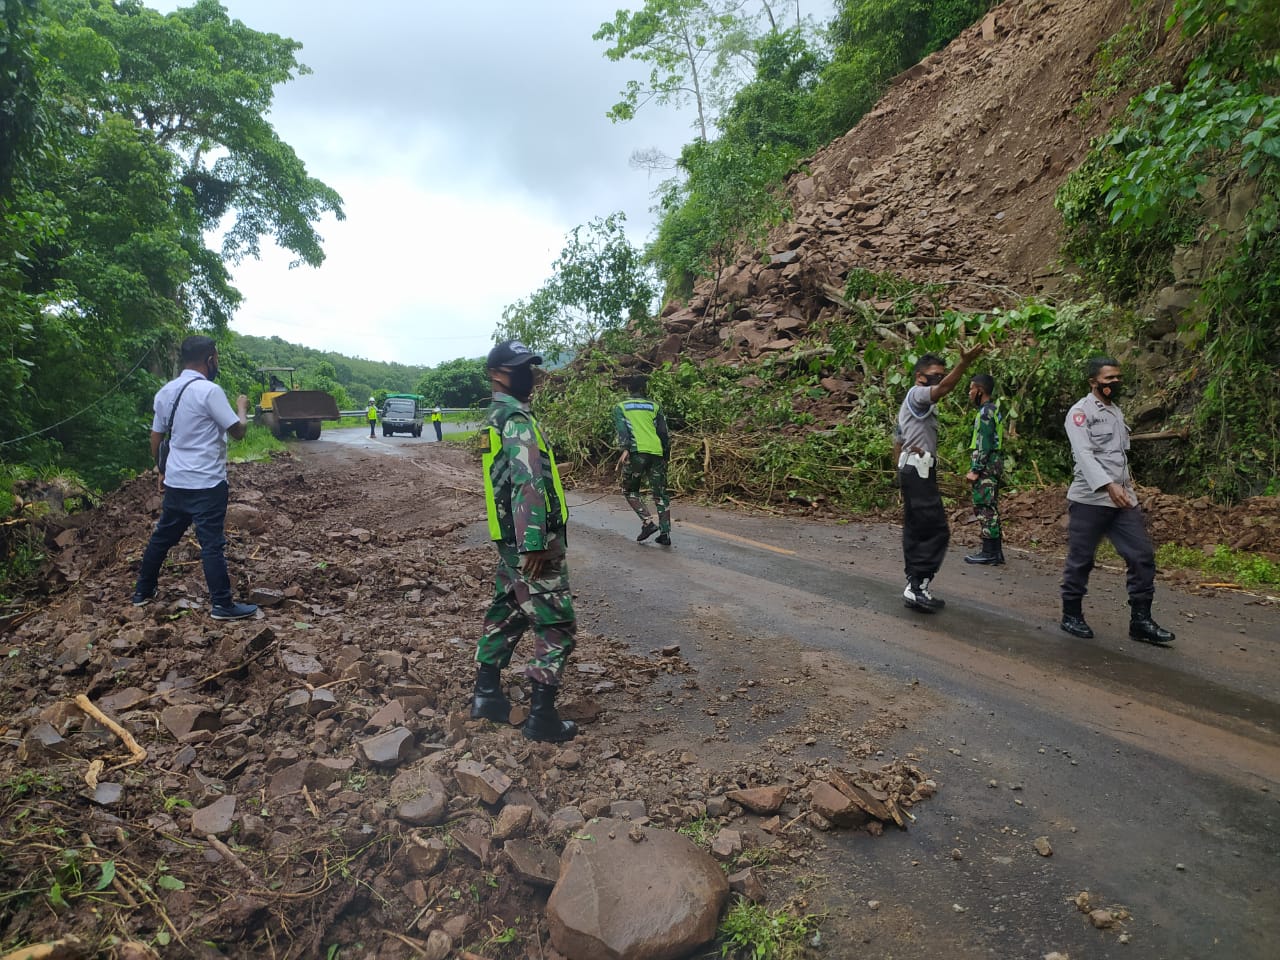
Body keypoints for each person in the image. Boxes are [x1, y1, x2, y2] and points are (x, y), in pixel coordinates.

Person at [469, 340, 577, 742]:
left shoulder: (493, 418)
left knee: (508, 610)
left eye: (531, 366)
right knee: (557, 624)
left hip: (508, 541)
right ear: (498, 374)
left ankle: (487, 695)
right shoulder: (514, 419)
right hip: (530, 542)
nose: (529, 374)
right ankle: (542, 718)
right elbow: (525, 482)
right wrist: (534, 541)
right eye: (520, 368)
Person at [131, 335, 259, 621]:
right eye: (217, 357)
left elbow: (157, 435)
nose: (217, 362)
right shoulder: (209, 392)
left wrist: (161, 470)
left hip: (176, 480)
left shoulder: (166, 391)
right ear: (209, 359)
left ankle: (142, 591)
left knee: (162, 537)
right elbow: (237, 432)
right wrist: (241, 407)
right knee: (212, 544)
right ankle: (222, 605)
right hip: (207, 484)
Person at [1060, 358, 1175, 646]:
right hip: (1090, 498)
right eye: (1109, 378)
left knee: (1141, 556)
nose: (1115, 383)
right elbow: (1084, 454)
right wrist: (1108, 485)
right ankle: (1071, 614)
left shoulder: (1115, 412)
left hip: (1123, 499)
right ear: (1093, 382)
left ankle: (1141, 621)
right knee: (1081, 560)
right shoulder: (1080, 412)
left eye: (1118, 378)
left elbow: (1119, 457)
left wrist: (1122, 486)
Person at [896, 342, 984, 612]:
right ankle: (917, 586)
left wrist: (899, 473)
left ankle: (915, 583)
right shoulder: (917, 394)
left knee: (916, 528)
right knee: (936, 530)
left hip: (914, 469)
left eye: (942, 373)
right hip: (918, 471)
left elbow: (897, 440)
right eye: (935, 374)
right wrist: (965, 363)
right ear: (920, 376)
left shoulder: (916, 404)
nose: (940, 377)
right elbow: (943, 389)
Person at [613, 374, 672, 545]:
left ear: (628, 389)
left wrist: (625, 449)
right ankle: (665, 533)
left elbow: (623, 431)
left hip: (636, 452)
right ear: (644, 389)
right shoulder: (654, 406)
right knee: (660, 493)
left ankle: (647, 522)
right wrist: (665, 455)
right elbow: (663, 433)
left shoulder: (621, 407)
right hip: (656, 452)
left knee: (630, 491)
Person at [964, 374, 1006, 565]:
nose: (969, 393)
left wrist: (976, 469)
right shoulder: (993, 410)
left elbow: (985, 443)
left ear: (980, 390)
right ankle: (995, 552)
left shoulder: (985, 413)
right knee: (990, 505)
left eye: (972, 389)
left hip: (987, 463)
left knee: (984, 506)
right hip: (994, 461)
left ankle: (989, 552)